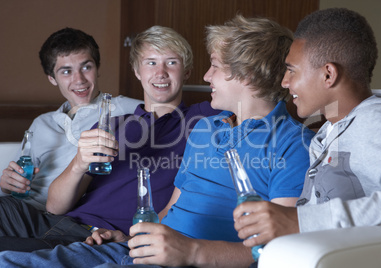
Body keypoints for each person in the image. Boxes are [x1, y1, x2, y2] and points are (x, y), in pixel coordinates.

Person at [0, 15, 315, 267]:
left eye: (214, 66)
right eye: (150, 62)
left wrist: (188, 251)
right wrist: (128, 237)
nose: (205, 78)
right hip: (122, 243)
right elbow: (170, 210)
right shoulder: (206, 129)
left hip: (152, 251)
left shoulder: (285, 141)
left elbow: (276, 250)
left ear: (245, 73)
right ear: (136, 71)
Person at [0, 26, 218, 252]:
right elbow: (54, 207)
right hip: (54, 221)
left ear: (188, 71)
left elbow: (249, 96)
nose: (160, 72)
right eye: (151, 63)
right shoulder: (113, 124)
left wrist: (127, 238)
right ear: (137, 71)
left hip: (97, 240)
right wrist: (79, 164)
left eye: (171, 62)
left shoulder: (203, 117)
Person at [232, 8, 381, 261]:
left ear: (328, 75)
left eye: (292, 70)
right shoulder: (328, 131)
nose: (284, 82)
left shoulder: (376, 122)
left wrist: (300, 220)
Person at [0, 28, 141, 211]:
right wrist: (7, 185)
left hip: (58, 217)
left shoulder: (125, 109)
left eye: (86, 67)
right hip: (17, 209)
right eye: (66, 71)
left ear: (97, 68)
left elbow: (172, 115)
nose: (79, 79)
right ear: (52, 78)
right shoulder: (41, 123)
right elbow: (17, 180)